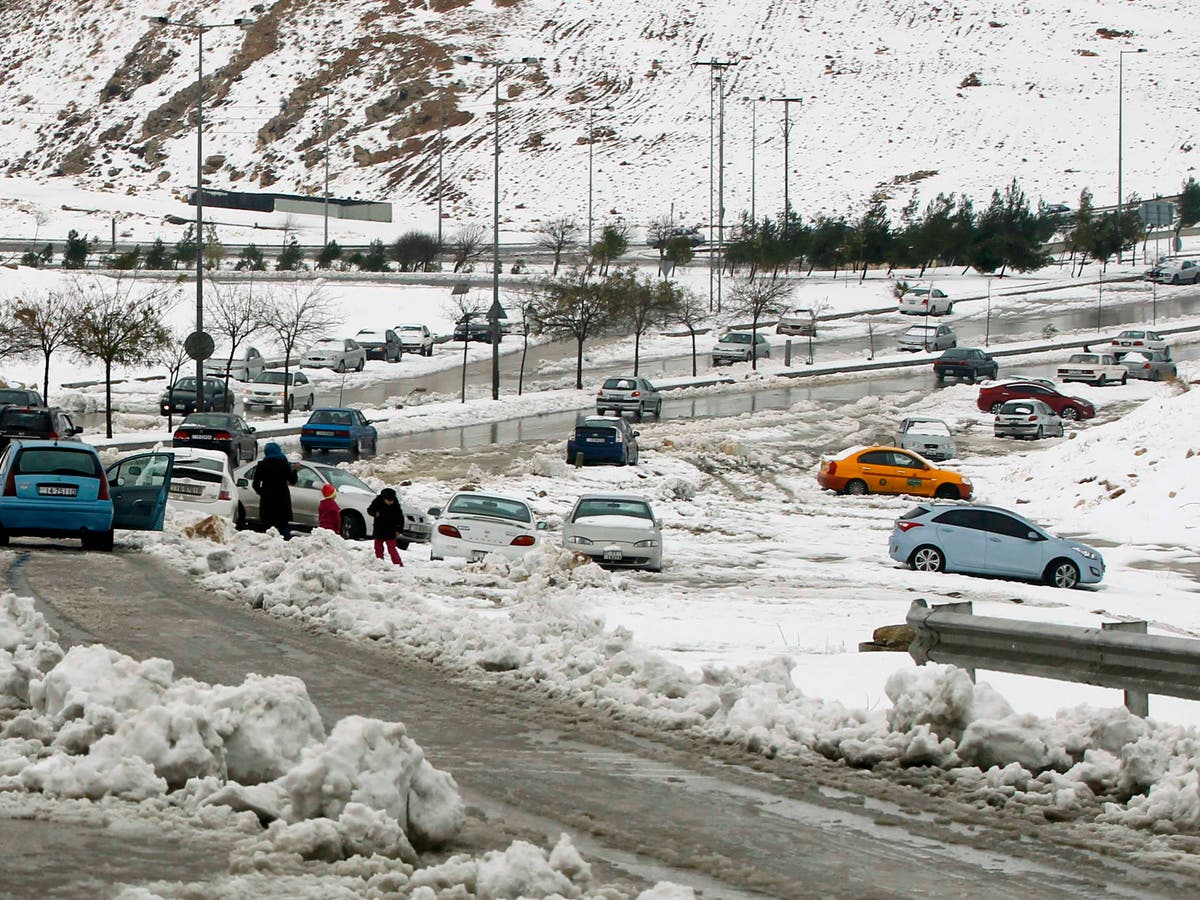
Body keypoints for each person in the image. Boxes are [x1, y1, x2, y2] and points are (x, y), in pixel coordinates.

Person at [252, 442, 298, 540]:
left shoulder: (262, 465)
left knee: (267, 528)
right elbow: (292, 481)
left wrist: (263, 493)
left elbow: (255, 485)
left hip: (267, 502)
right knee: (283, 527)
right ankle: (287, 547)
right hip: (282, 500)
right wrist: (294, 470)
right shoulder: (284, 463)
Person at [367, 487, 405, 566]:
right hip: (379, 528)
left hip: (391, 530)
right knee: (378, 547)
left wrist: (399, 530)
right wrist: (375, 513)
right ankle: (380, 562)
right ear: (384, 498)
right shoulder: (377, 502)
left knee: (392, 548)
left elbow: (400, 518)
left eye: (392, 500)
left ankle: (398, 564)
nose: (390, 502)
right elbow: (369, 510)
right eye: (388, 500)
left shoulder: (396, 506)